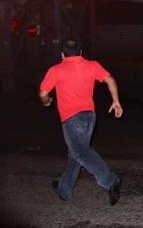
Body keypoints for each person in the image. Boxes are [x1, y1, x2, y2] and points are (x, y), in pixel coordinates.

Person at [39, 39, 124, 205]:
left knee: (80, 152)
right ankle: (64, 189)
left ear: (62, 55)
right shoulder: (92, 65)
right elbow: (110, 80)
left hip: (72, 118)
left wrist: (47, 101)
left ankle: (110, 181)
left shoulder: (56, 70)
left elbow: (43, 93)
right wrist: (116, 101)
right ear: (81, 52)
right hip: (89, 116)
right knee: (75, 153)